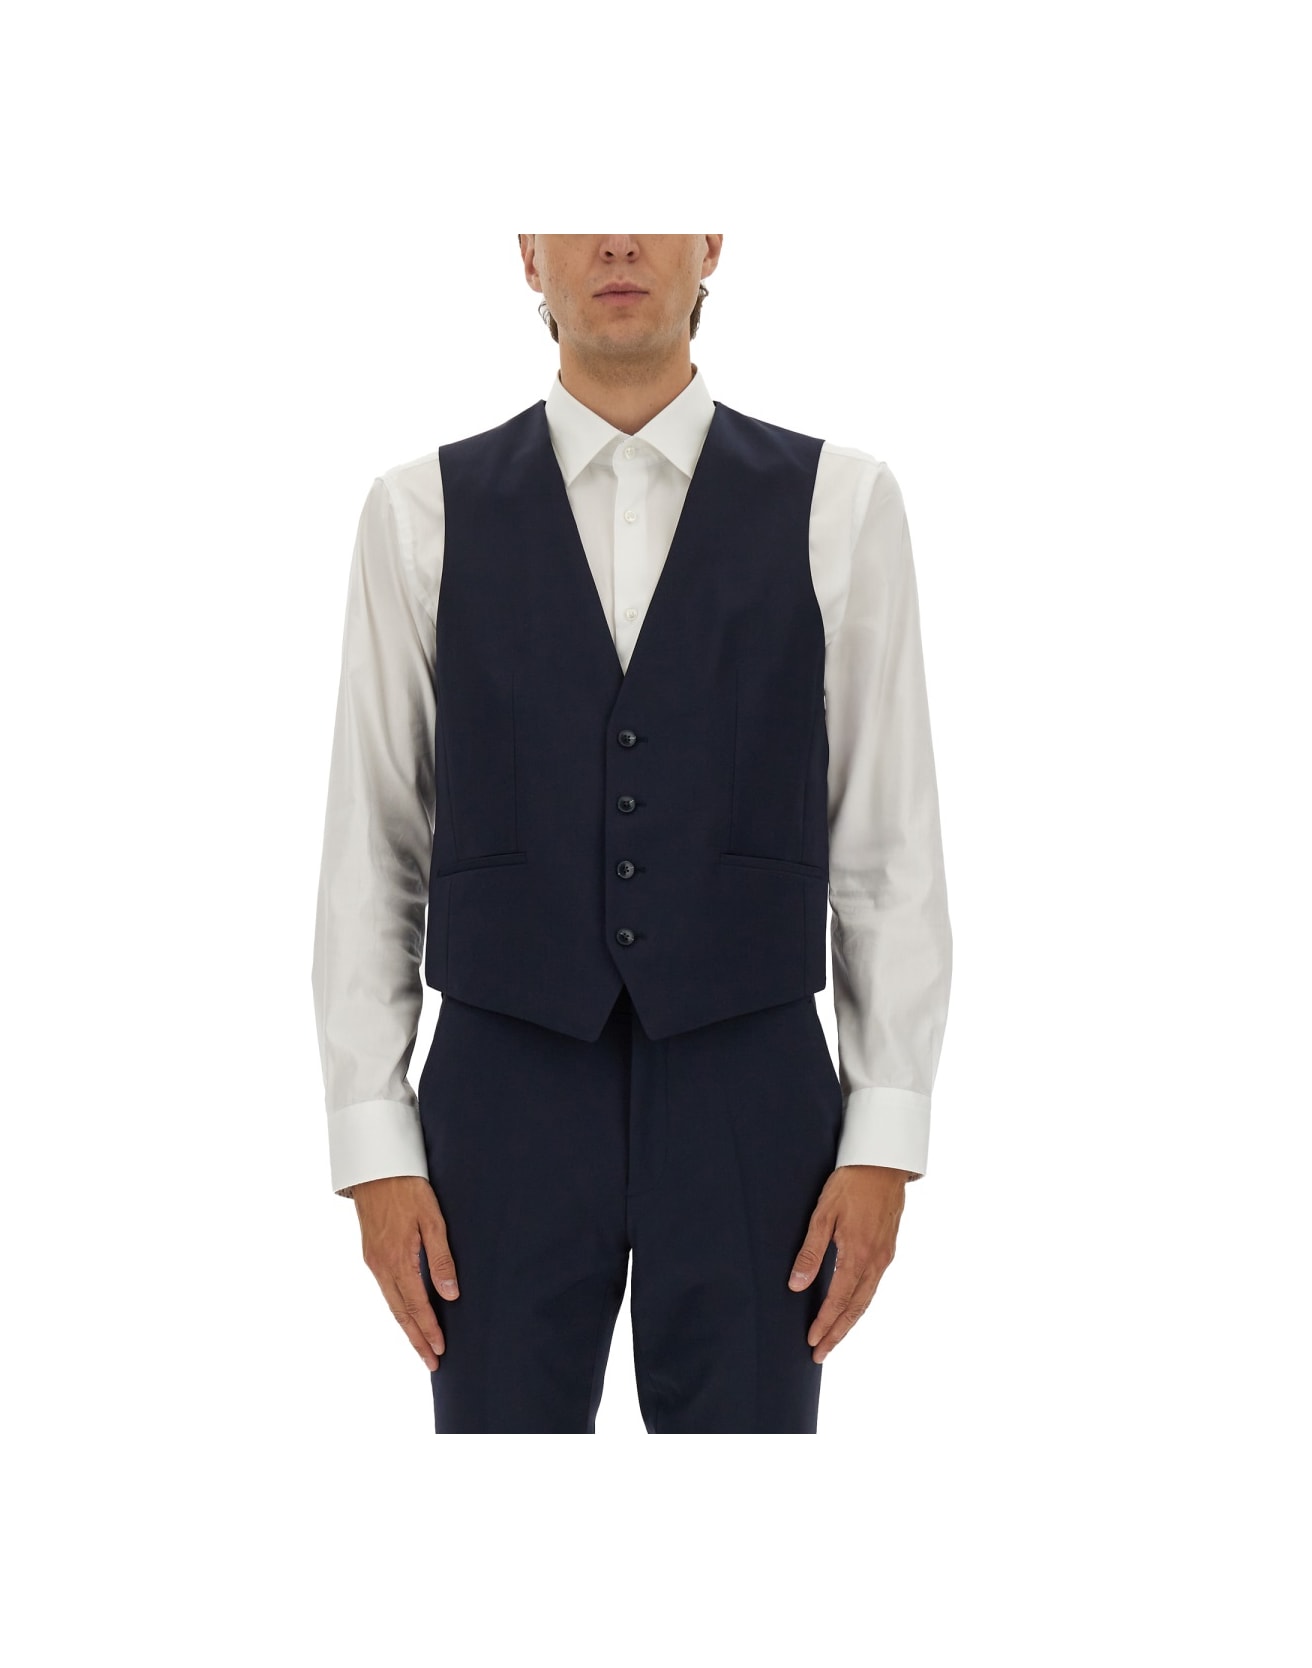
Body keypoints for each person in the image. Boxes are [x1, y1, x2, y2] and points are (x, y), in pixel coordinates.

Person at [311, 233, 953, 1433]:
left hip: (751, 1089)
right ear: (526, 252)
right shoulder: (416, 513)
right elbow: (373, 845)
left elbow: (887, 840)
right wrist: (374, 1142)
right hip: (500, 1089)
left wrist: (885, 1134)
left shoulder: (842, 503)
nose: (616, 239)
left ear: (710, 240)